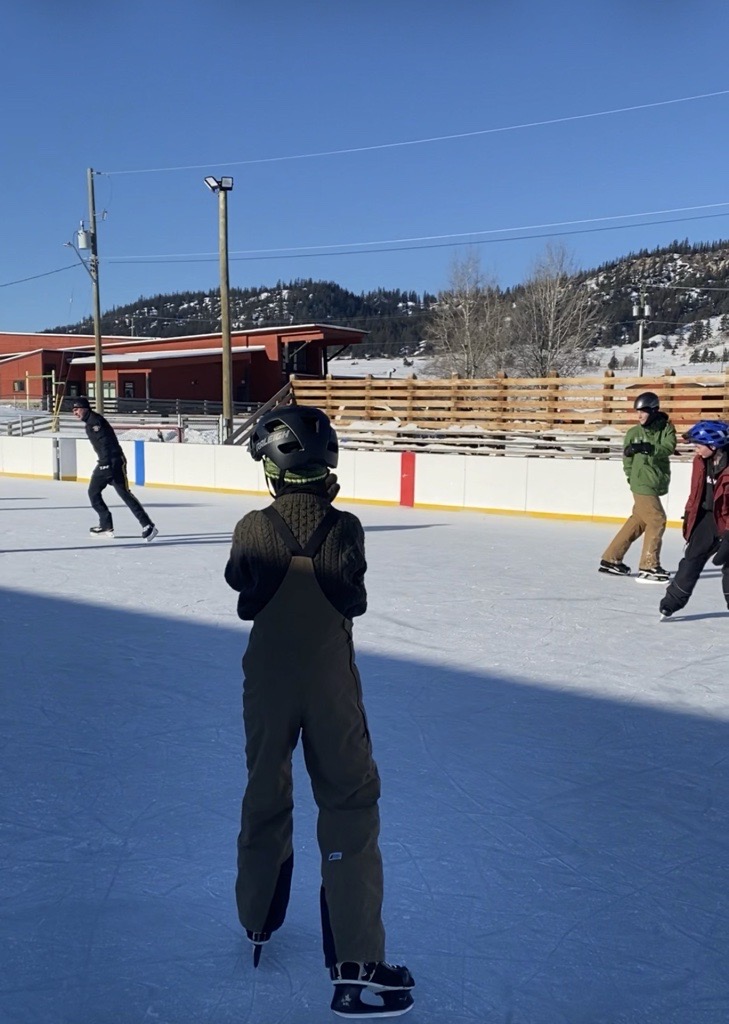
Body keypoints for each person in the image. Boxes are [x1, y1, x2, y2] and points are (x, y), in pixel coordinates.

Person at [224, 405, 414, 1019]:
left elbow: (243, 589)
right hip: (330, 682)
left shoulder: (252, 526)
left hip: (268, 682)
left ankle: (257, 917)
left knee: (265, 789)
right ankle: (356, 968)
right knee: (349, 803)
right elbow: (352, 598)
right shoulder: (346, 527)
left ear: (272, 470)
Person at [599, 390, 677, 582]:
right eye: (638, 412)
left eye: (643, 411)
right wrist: (632, 477)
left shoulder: (666, 429)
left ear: (654, 411)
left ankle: (611, 559)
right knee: (657, 519)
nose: (639, 416)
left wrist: (647, 447)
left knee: (639, 521)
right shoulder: (633, 433)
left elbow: (668, 448)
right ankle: (649, 566)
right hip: (641, 482)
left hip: (655, 481)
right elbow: (627, 461)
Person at [659, 420, 729, 619]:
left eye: (698, 445)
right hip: (707, 516)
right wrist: (690, 514)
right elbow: (696, 494)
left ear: (713, 446)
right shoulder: (700, 461)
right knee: (692, 557)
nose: (695, 450)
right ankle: (672, 601)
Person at [72, 396, 158, 541]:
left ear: (85, 408)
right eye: (73, 410)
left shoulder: (95, 422)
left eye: (77, 409)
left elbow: (105, 443)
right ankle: (145, 525)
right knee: (121, 494)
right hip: (112, 461)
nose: (75, 413)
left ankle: (111, 525)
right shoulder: (90, 422)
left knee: (95, 493)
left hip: (111, 462)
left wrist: (105, 463)